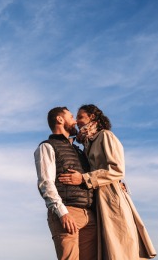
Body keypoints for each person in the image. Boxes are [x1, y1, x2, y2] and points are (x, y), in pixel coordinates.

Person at [58, 104, 157, 260]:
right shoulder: (86, 144)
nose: (77, 121)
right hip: (97, 201)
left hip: (111, 200)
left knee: (119, 248)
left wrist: (83, 178)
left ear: (91, 117)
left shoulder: (105, 136)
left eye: (80, 117)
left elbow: (117, 169)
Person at [34, 107, 97, 260]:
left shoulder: (80, 151)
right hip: (68, 212)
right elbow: (45, 183)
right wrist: (63, 213)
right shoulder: (47, 146)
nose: (75, 121)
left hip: (89, 214)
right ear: (60, 119)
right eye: (71, 116)